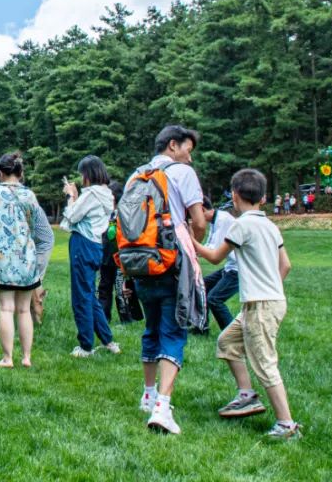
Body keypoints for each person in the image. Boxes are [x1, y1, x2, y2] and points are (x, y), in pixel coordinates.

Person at [194, 168, 301, 440]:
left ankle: (287, 425)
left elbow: (216, 257)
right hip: (268, 302)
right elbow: (285, 265)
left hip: (261, 305)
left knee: (265, 364)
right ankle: (246, 395)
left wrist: (189, 240)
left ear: (234, 195)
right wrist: (272, 288)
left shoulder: (241, 225)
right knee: (227, 343)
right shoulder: (270, 225)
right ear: (263, 198)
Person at [133, 125, 207, 435]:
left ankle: (148, 394)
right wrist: (195, 245)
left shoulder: (137, 174)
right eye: (188, 150)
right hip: (172, 261)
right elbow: (199, 220)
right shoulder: (182, 173)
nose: (190, 158)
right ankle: (163, 407)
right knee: (174, 330)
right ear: (173, 146)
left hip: (139, 261)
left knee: (151, 327)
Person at [0, 152, 46, 369]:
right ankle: (26, 357)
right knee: (24, 310)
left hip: (1, 260)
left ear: (0, 172)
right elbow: (35, 226)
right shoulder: (29, 195)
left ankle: (8, 358)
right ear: (20, 173)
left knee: (6, 308)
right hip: (26, 259)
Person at [61, 155, 120, 358]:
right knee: (90, 294)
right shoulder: (107, 194)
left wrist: (71, 196)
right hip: (96, 245)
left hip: (82, 244)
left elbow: (72, 216)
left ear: (88, 174)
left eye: (82, 174)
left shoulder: (91, 194)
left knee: (81, 297)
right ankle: (108, 340)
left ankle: (85, 345)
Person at [97, 182, 142, 326]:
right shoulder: (104, 213)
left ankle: (126, 318)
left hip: (120, 257)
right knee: (104, 287)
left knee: (121, 288)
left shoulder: (123, 213)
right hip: (105, 256)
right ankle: (104, 317)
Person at [201, 198, 239, 332]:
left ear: (202, 209)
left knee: (214, 299)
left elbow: (214, 252)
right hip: (230, 266)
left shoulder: (223, 220)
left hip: (238, 269)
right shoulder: (215, 220)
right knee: (202, 286)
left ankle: (232, 335)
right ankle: (202, 326)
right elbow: (209, 245)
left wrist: (193, 245)